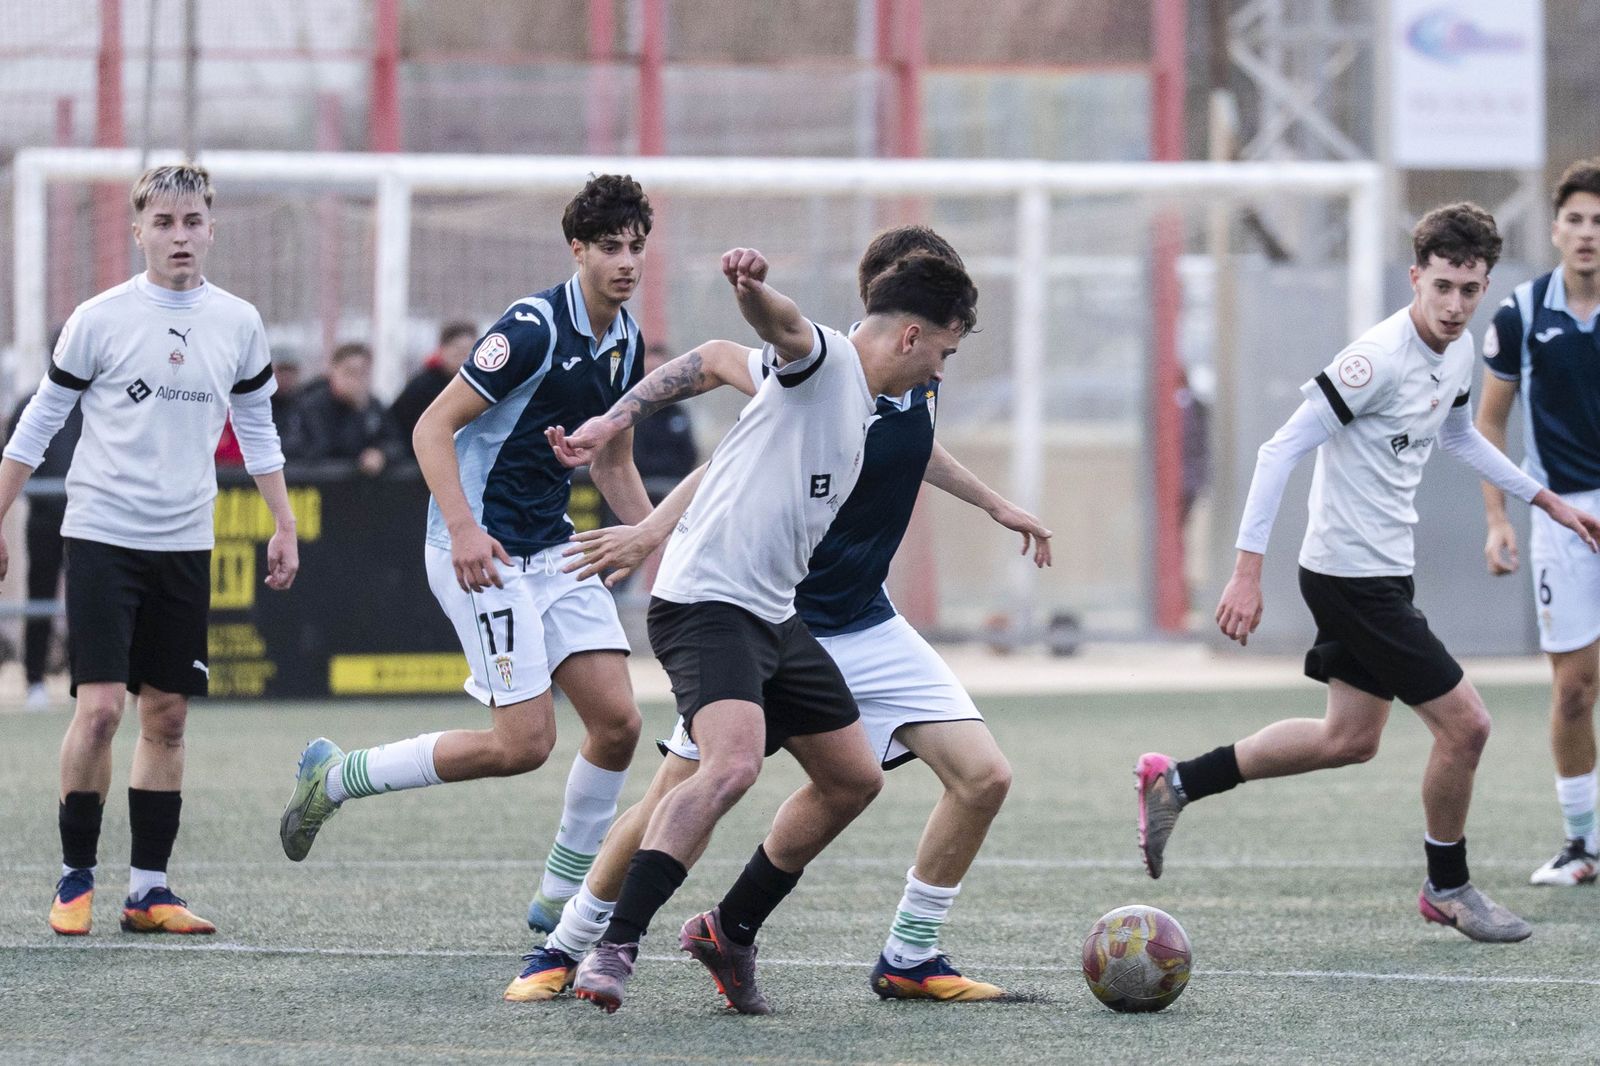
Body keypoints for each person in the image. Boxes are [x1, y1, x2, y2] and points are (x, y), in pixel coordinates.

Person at [504, 226, 1047, 1008]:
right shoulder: (821, 362)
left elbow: (904, 446)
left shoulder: (905, 384)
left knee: (941, 777)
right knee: (694, 784)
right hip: (739, 609)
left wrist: (996, 503)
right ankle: (572, 944)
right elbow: (742, 359)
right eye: (947, 345)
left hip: (836, 617)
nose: (946, 362)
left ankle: (882, 950)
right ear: (908, 325)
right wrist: (751, 287)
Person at [1137, 203, 1600, 943]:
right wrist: (1246, 572)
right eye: (1442, 286)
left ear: (1483, 286)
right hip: (1349, 576)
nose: (1454, 305)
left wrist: (1543, 499)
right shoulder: (1374, 359)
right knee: (1468, 726)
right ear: (1416, 277)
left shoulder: (1459, 348)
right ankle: (1448, 886)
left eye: (1469, 289)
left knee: (1347, 739)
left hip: (1385, 571)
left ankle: (1177, 782)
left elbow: (1458, 435)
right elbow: (1278, 450)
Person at [277, 177, 656, 934]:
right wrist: (465, 531)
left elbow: (612, 465)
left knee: (617, 725)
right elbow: (430, 427)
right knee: (524, 746)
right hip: (479, 550)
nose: (626, 261)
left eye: (637, 247)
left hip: (550, 548)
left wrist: (661, 540)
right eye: (610, 247)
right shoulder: (531, 328)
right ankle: (338, 776)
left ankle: (558, 901)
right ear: (576, 249)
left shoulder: (627, 341)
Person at [0, 163, 298, 936]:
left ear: (212, 228)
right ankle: (75, 878)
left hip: (185, 540)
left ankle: (148, 891)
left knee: (166, 717)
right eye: (163, 223)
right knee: (99, 711)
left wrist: (284, 521)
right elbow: (38, 424)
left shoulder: (239, 322)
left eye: (193, 221)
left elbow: (259, 430)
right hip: (101, 533)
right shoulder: (98, 318)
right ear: (137, 231)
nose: (180, 236)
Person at [1475, 159, 1600, 885]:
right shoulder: (1521, 314)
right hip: (1562, 514)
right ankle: (1581, 843)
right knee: (1575, 688)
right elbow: (1488, 424)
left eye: (1598, 222)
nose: (1588, 234)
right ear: (1555, 229)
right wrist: (1498, 519)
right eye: (1577, 220)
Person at [6, 325, 80, 709]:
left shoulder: (97, 403)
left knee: (90, 600)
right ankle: (34, 679)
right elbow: (13, 455)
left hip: (90, 520)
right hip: (45, 520)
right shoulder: (31, 402)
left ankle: (83, 678)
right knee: (40, 593)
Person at [281, 341, 400, 476]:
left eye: (363, 373)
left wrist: (381, 454)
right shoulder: (311, 405)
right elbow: (322, 449)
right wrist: (357, 414)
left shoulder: (373, 407)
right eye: (350, 372)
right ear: (333, 371)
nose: (356, 380)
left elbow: (396, 443)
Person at [389, 321, 477, 444]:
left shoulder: (478, 388)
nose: (463, 357)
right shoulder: (421, 387)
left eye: (469, 351)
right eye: (458, 350)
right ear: (442, 349)